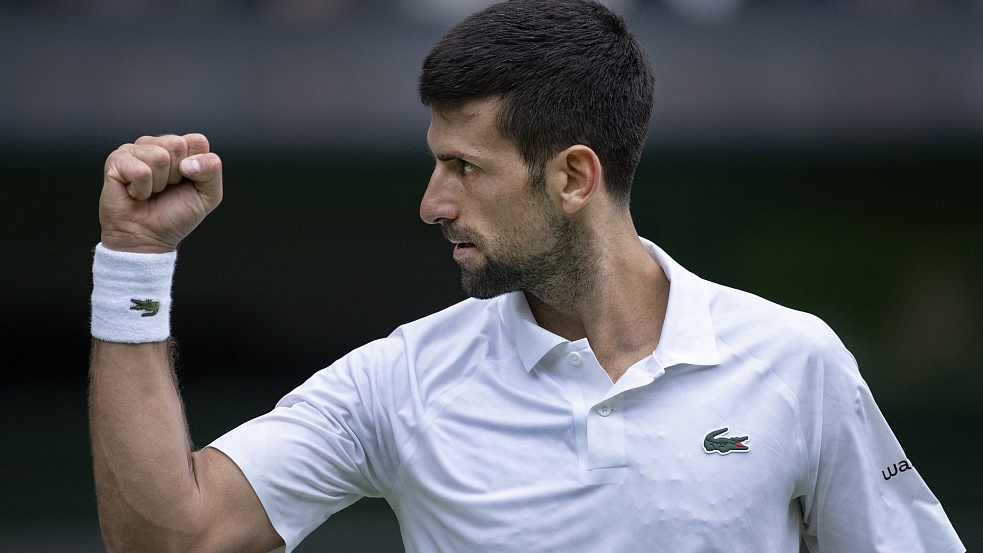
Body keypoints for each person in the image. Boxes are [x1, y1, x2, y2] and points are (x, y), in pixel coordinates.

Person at [88, 1, 965, 552]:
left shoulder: (795, 358)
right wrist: (134, 258)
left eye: (465, 168)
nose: (432, 203)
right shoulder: (398, 381)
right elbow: (169, 537)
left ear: (573, 177)